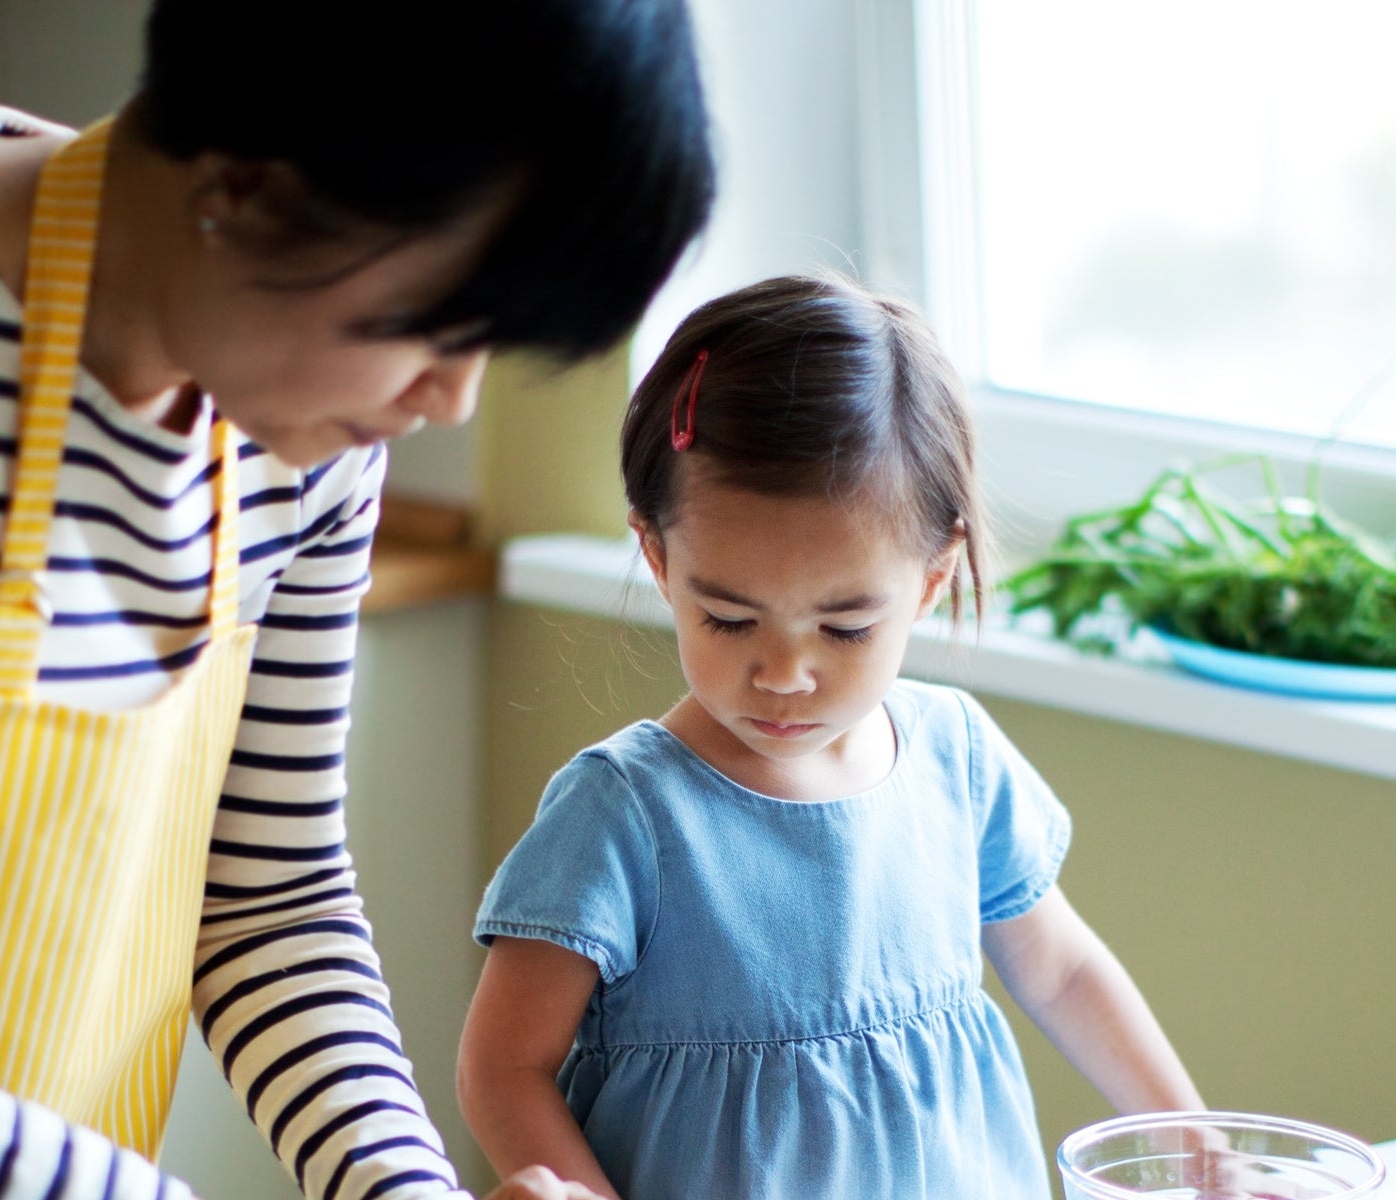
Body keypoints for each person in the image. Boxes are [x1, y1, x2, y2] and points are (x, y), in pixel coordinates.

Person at [0, 3, 713, 1199]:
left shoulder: (304, 442)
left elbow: (268, 895)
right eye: (435, 324)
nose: (449, 401)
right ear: (246, 183)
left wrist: (401, 1186)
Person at [456, 275, 1205, 1198]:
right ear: (658, 558)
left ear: (931, 582)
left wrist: (1194, 1143)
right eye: (729, 619)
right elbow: (504, 1067)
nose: (783, 675)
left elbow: (1062, 973)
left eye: (845, 628)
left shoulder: (957, 759)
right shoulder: (623, 811)